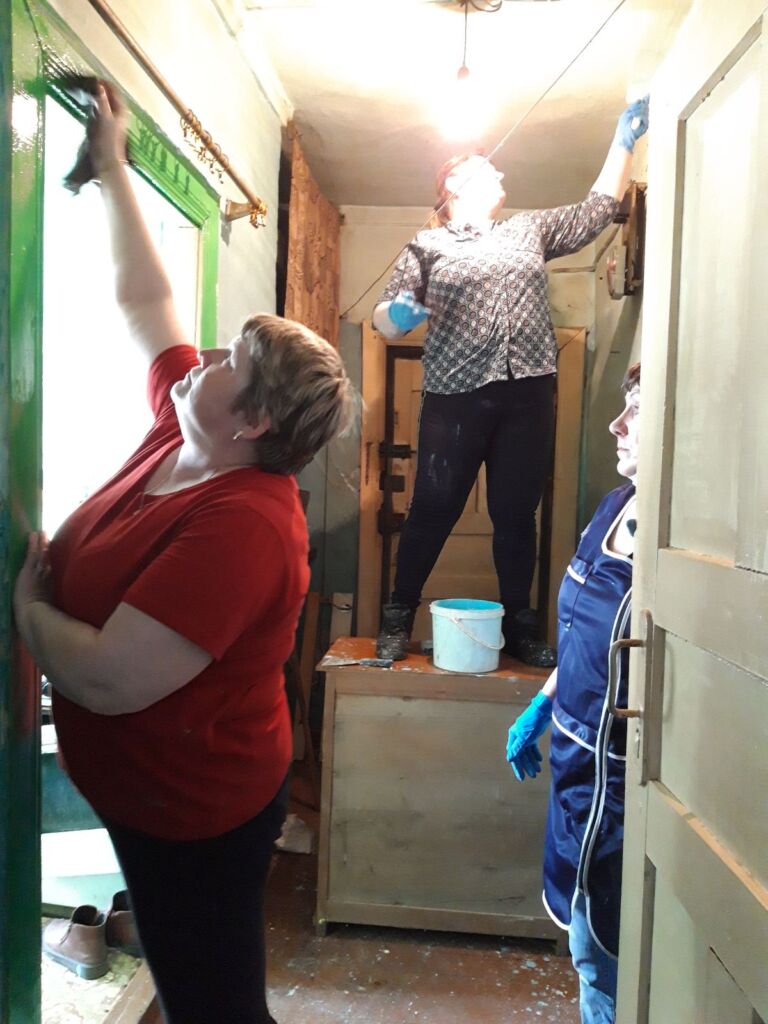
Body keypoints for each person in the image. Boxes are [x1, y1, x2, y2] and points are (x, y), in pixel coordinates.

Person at [13, 82, 352, 1024]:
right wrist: (112, 167)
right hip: (144, 790)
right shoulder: (186, 428)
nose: (202, 358)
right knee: (190, 978)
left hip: (196, 809)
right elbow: (145, 296)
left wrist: (27, 607)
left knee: (214, 1006)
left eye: (228, 363)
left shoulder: (248, 525)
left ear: (254, 423)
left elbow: (111, 678)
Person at [373, 98, 649, 666]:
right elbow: (384, 317)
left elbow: (597, 210)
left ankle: (520, 626)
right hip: (454, 396)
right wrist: (393, 316)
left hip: (528, 391)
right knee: (432, 509)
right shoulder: (427, 247)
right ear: (453, 184)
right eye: (486, 167)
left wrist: (623, 141)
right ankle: (397, 617)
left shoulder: (528, 229)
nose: (499, 171)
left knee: (517, 515)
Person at [505, 362, 641, 1024]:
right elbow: (585, 630)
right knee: (586, 949)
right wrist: (544, 701)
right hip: (574, 771)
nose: (617, 424)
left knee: (612, 963)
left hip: (626, 786)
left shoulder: (679, 543)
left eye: (637, 409)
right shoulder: (614, 507)